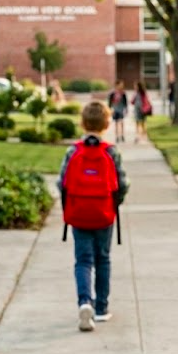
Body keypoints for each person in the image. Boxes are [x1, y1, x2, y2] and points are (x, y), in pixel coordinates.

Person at [59, 101, 129, 331]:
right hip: (104, 214)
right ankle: (101, 308)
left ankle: (84, 302)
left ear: (82, 123)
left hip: (79, 214)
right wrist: (114, 203)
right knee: (103, 259)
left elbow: (62, 183)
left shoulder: (73, 151)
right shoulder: (111, 151)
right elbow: (123, 184)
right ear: (107, 124)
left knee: (83, 260)